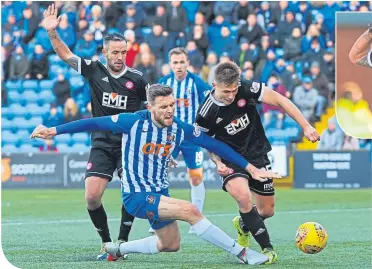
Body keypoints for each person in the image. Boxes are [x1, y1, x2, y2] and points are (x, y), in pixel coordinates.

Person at [30, 84, 282, 265]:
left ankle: (117, 248)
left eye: (172, 105)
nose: (170, 110)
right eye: (163, 107)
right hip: (137, 196)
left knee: (170, 244)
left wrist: (249, 168)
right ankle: (243, 254)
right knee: (191, 211)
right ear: (150, 107)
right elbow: (93, 122)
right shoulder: (132, 122)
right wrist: (53, 130)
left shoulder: (179, 128)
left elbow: (213, 145)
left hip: (159, 191)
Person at [41, 4, 149, 260]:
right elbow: (65, 55)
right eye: (115, 52)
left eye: (123, 51)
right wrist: (52, 33)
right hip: (101, 142)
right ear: (105, 52)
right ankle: (106, 242)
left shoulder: (138, 79)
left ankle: (122, 242)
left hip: (129, 145)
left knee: (132, 191)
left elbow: (153, 111)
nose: (120, 56)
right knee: (91, 197)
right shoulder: (94, 69)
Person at [195, 61, 320, 264]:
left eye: (234, 90)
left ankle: (243, 225)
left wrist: (306, 126)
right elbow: (207, 143)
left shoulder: (246, 88)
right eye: (226, 91)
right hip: (231, 159)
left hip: (257, 153)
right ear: (214, 86)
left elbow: (280, 100)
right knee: (243, 196)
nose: (231, 96)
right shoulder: (205, 113)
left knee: (266, 211)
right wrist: (217, 162)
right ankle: (267, 250)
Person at [155, 47, 210, 234]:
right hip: (169, 136)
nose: (179, 66)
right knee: (158, 175)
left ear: (187, 63)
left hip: (191, 138)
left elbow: (211, 102)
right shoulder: (164, 83)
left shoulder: (196, 83)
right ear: (170, 64)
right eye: (175, 63)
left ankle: (197, 219)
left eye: (182, 62)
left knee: (195, 178)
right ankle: (158, 219)